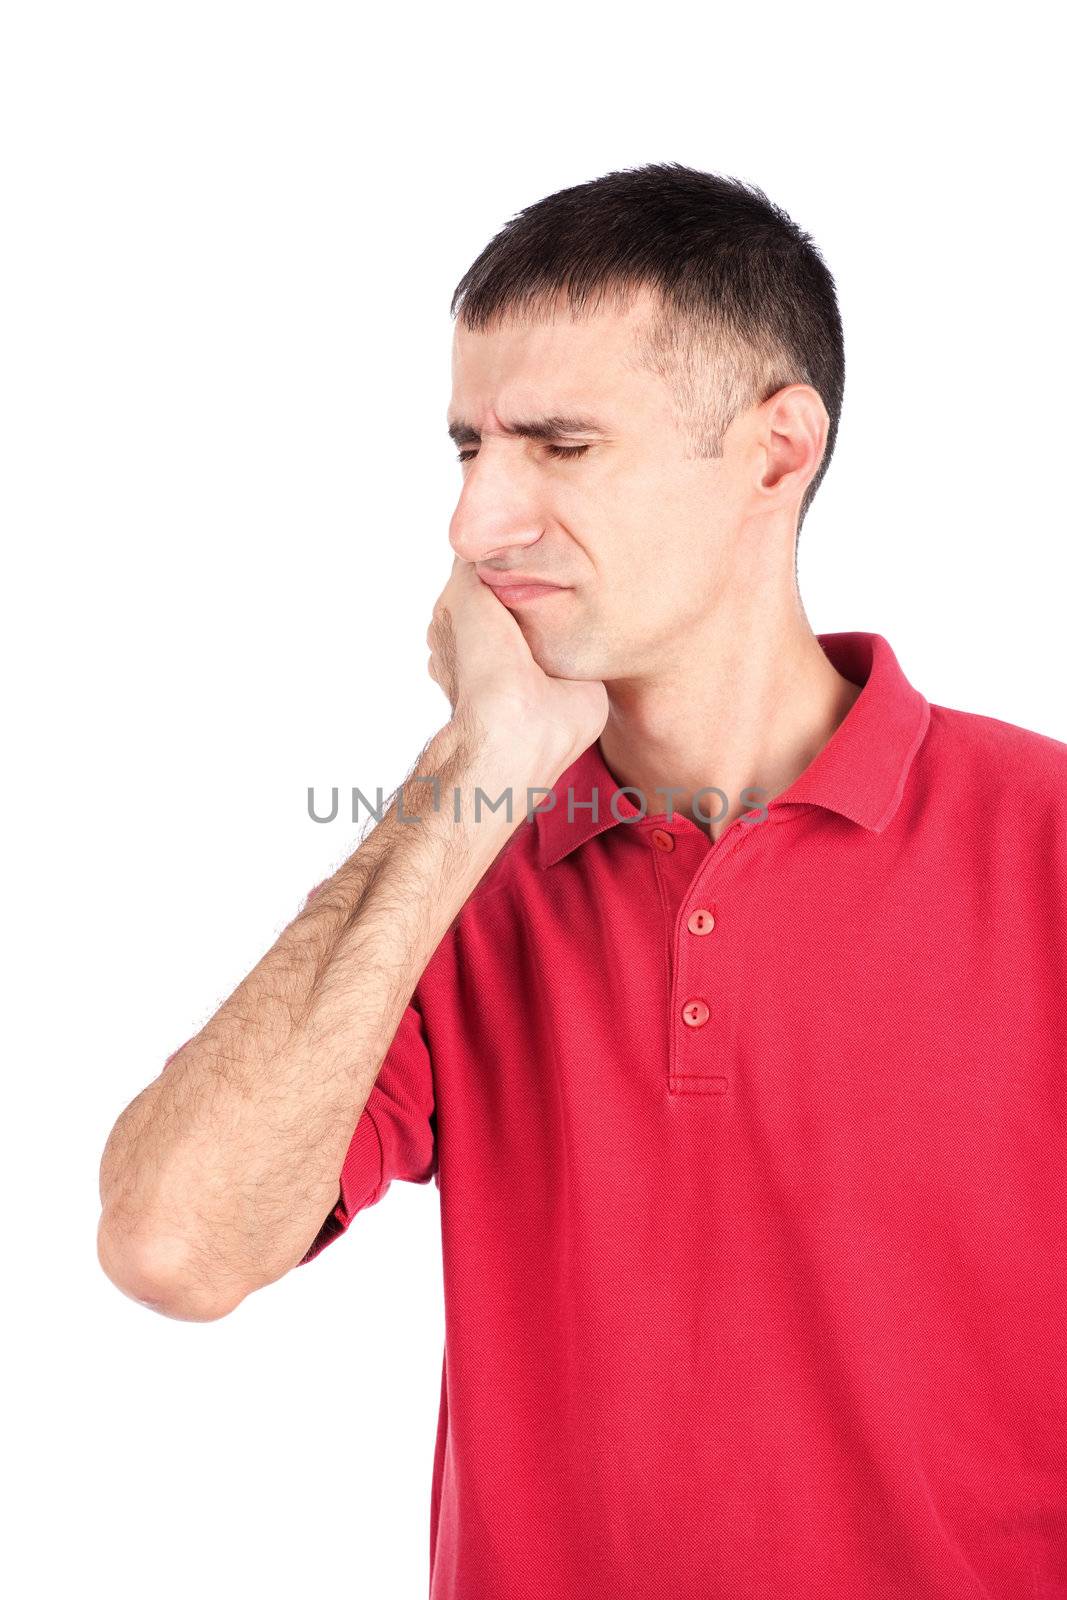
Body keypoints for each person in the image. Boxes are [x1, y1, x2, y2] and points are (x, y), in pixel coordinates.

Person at [97, 162, 1067, 1599]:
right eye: (467, 450)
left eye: (558, 447)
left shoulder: (1042, 841)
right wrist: (474, 767)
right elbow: (173, 1246)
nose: (476, 524)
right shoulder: (459, 869)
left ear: (773, 453)